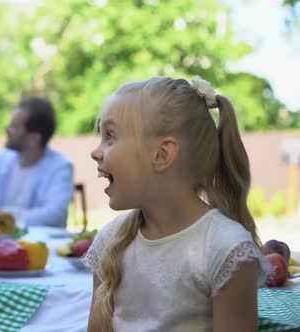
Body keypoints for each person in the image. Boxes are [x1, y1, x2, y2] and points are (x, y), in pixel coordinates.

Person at [84, 77, 272, 332]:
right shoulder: (110, 241)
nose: (96, 152)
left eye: (111, 136)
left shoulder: (225, 249)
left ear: (162, 155)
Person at [0, 97, 74, 228]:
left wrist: (4, 216)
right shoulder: (3, 160)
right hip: (0, 245)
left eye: (14, 126)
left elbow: (55, 216)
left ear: (34, 138)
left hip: (41, 246)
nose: (7, 129)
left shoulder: (60, 166)